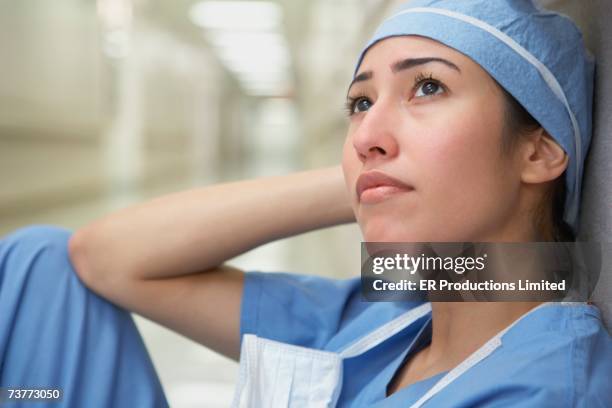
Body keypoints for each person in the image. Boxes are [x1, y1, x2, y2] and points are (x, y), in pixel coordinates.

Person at [1, 0, 611, 407]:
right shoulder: (384, 322)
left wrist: (390, 170)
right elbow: (102, 256)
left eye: (428, 87)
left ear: (539, 152)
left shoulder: (545, 387)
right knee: (39, 265)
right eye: (361, 104)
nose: (368, 131)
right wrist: (369, 177)